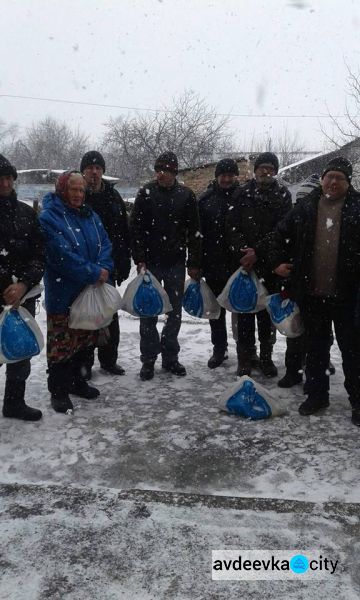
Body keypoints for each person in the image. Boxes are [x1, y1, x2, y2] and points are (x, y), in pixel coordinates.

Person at [270, 156, 360, 426]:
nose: (333, 182)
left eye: (339, 178)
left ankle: (358, 401)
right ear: (322, 179)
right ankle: (316, 395)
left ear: (348, 182)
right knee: (315, 349)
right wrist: (276, 262)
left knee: (353, 350)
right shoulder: (306, 206)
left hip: (348, 296)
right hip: (313, 294)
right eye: (329, 176)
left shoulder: (358, 207)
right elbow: (278, 235)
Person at [39, 171, 113, 413]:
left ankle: (78, 381)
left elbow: (105, 243)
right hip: (63, 291)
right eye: (74, 189)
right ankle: (59, 390)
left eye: (81, 190)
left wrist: (104, 268)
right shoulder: (50, 217)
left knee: (84, 340)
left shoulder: (90, 216)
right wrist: (94, 272)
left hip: (88, 291)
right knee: (61, 344)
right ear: (62, 190)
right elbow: (60, 256)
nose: (79, 194)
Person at [130, 151, 201, 381]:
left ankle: (170, 357)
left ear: (174, 172)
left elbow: (195, 232)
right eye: (158, 169)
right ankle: (148, 360)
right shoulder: (146, 193)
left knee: (174, 312)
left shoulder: (186, 196)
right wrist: (139, 258)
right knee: (148, 311)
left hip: (176, 263)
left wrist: (194, 262)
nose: (161, 174)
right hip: (150, 264)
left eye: (166, 170)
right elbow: (136, 230)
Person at [226, 152, 293, 378]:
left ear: (275, 171)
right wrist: (244, 252)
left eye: (270, 168)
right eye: (262, 167)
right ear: (255, 170)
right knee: (244, 314)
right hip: (245, 263)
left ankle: (266, 357)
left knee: (266, 314)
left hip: (270, 264)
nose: (265, 171)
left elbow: (282, 229)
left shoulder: (282, 194)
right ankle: (245, 358)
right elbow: (231, 227)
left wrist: (259, 252)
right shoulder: (241, 193)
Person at [278, 173, 335, 388]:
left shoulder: (327, 221)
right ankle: (293, 370)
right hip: (296, 283)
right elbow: (280, 244)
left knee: (321, 332)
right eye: (299, 202)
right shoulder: (293, 219)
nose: (303, 206)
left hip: (323, 285)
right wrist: (280, 268)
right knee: (295, 329)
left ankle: (320, 364)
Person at [0, 154, 45, 421]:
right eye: (0, 178)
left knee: (19, 348)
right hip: (5, 292)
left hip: (23, 294)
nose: (5, 183)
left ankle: (14, 402)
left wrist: (23, 285)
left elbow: (40, 254)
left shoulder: (27, 213)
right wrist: (5, 287)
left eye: (8, 178)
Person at [80, 150, 131, 378]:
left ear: (103, 171)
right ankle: (85, 364)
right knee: (87, 314)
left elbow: (122, 231)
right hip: (84, 267)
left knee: (109, 313)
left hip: (108, 265)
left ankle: (109, 360)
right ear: (83, 172)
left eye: (98, 168)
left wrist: (122, 261)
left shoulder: (113, 196)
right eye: (89, 168)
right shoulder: (78, 196)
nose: (94, 172)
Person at [198, 158, 239, 368]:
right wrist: (196, 263)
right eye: (223, 175)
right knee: (216, 313)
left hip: (239, 264)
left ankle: (246, 351)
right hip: (213, 263)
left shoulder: (244, 198)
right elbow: (197, 236)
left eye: (230, 175)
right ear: (217, 176)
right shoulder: (205, 200)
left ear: (235, 177)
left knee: (242, 310)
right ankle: (219, 349)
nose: (226, 179)